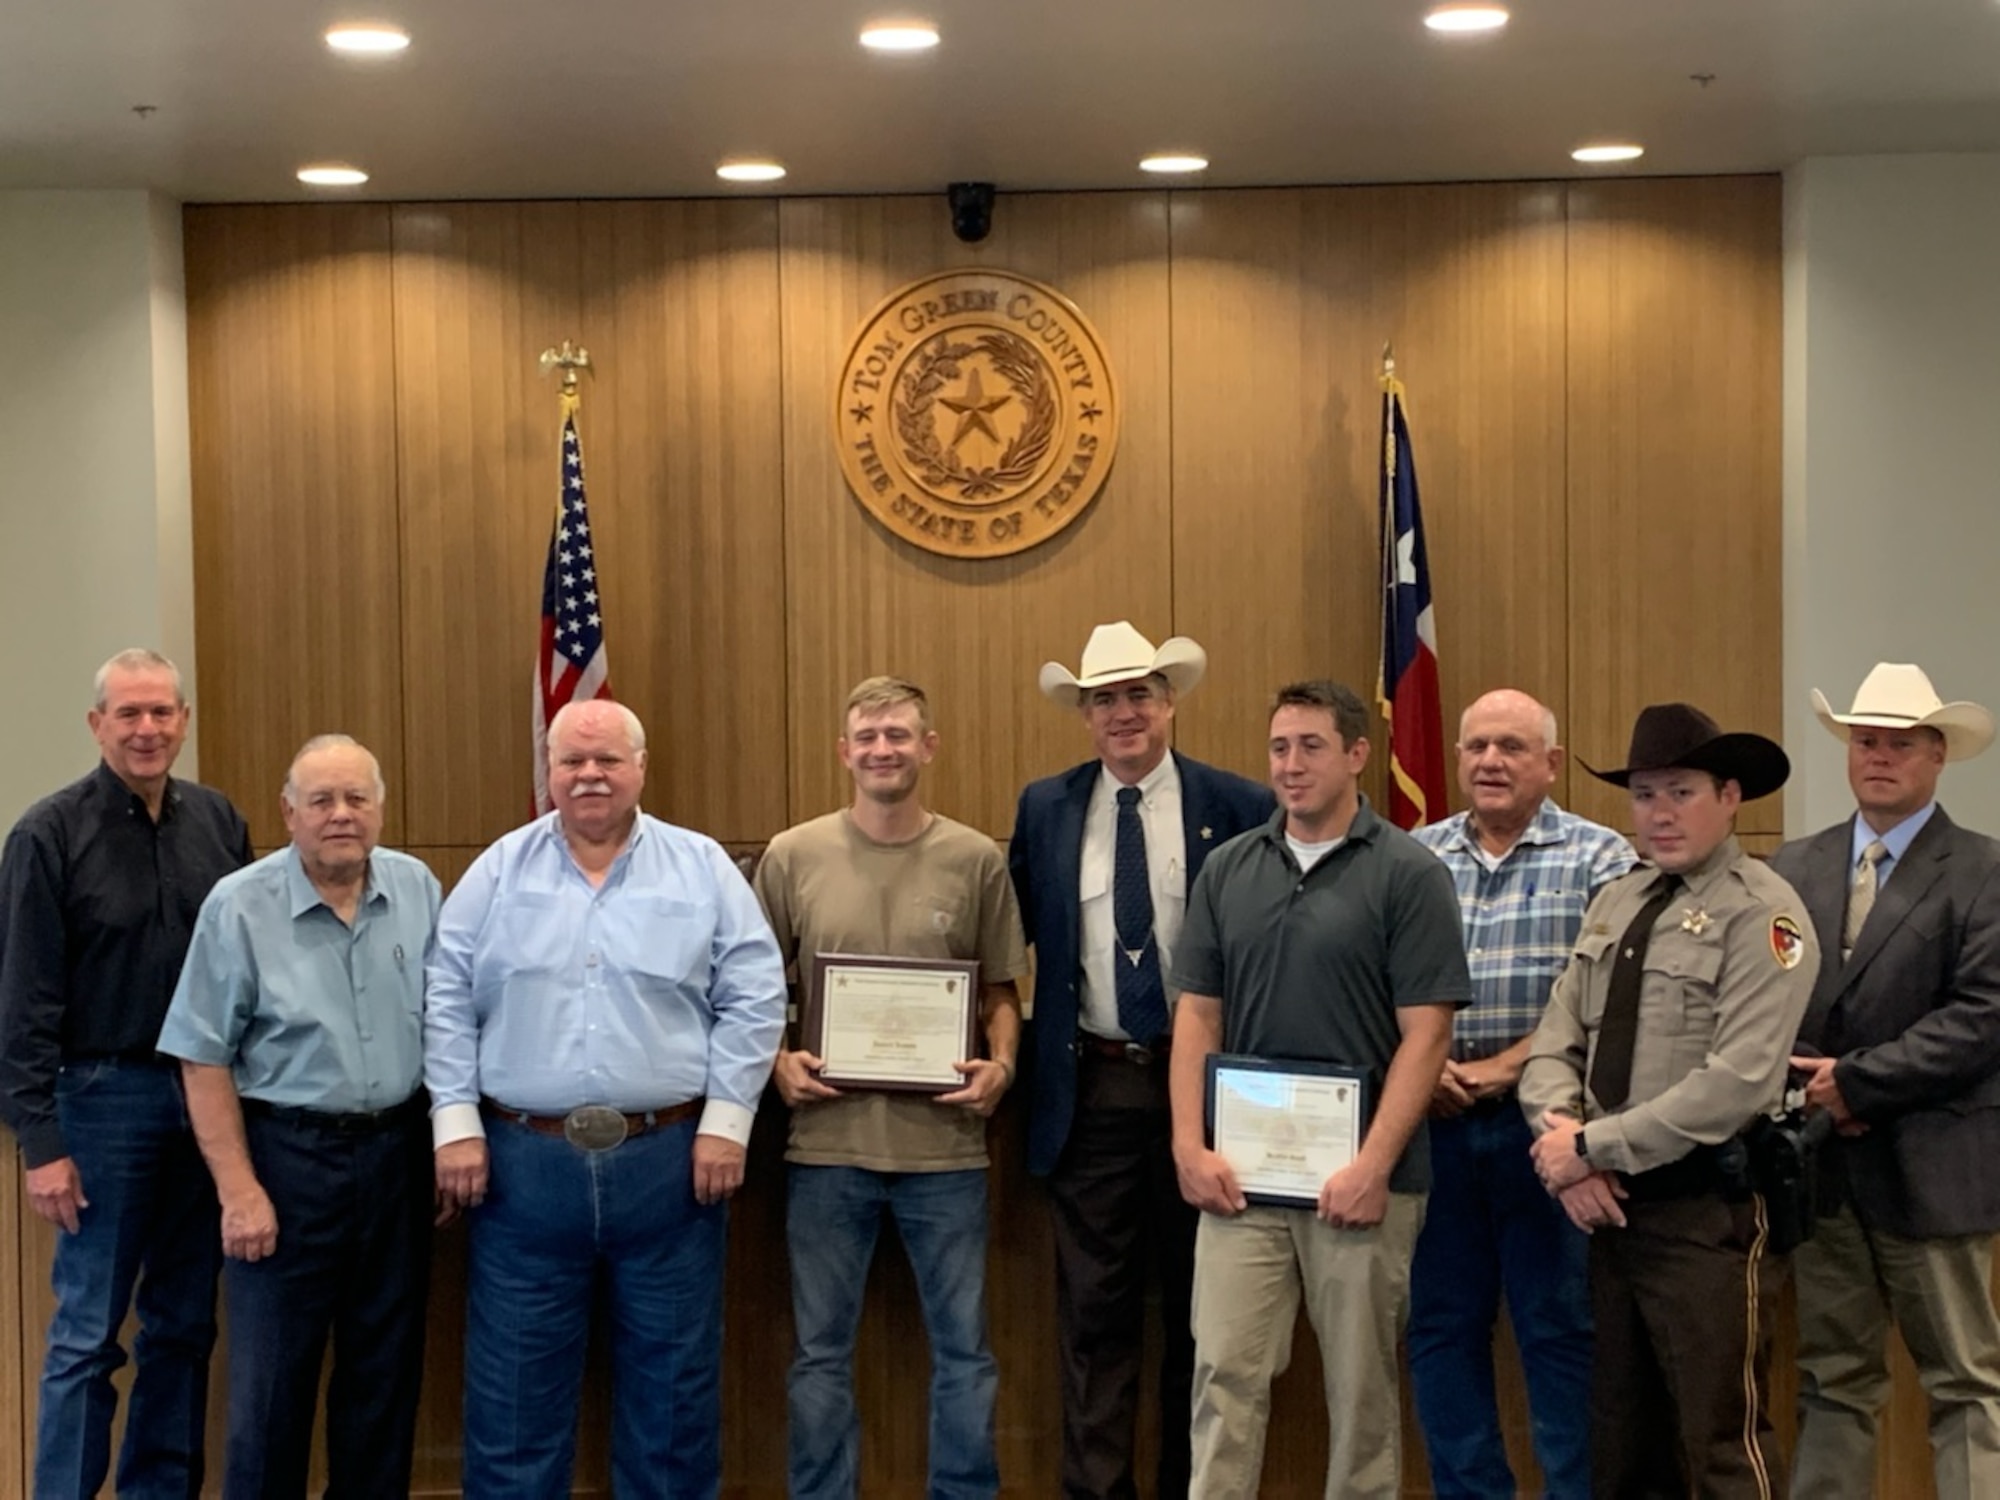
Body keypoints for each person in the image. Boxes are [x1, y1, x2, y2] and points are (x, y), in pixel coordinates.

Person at [424, 698, 786, 1500]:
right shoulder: (497, 870)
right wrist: (454, 1125)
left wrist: (729, 1124)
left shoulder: (701, 868)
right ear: (547, 771)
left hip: (673, 1166)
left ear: (640, 768)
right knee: (512, 1399)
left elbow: (755, 996)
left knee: (674, 1400)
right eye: (572, 762)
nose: (589, 775)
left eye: (608, 760)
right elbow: (445, 995)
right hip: (521, 1169)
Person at [1168, 679, 1469, 1498]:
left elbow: (1428, 1034)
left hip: (1365, 1185)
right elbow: (1197, 1015)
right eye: (1278, 748)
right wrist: (1187, 1146)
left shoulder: (1409, 873)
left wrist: (1372, 1166)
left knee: (1362, 1395)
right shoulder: (1230, 868)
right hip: (1242, 1182)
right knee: (1223, 1375)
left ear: (1356, 755)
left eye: (1311, 747)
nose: (1291, 766)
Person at [1521, 702, 1818, 1498]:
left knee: (1721, 1440)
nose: (1659, 813)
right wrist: (1566, 1150)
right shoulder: (1617, 902)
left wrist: (1591, 1148)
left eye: (1680, 791)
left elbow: (1738, 1081)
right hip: (1610, 1212)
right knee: (1623, 1444)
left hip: (1706, 1217)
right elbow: (1555, 1043)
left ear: (1730, 795)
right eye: (1645, 794)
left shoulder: (1763, 914)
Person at [1008, 621, 1271, 1499]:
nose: (1123, 714)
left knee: (1207, 1320)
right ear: (1083, 715)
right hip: (1092, 1092)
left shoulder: (1234, 805)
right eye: (1103, 700)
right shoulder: (1046, 806)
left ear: (1169, 703)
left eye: (1138, 695)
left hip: (1209, 1096)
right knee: (1093, 1324)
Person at [755, 675, 1027, 1499]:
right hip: (825, 1148)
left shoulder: (976, 858)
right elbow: (754, 989)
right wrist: (776, 1060)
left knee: (966, 1354)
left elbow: (1002, 994)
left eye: (899, 735)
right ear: (845, 752)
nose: (883, 750)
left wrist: (1003, 1066)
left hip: (945, 1154)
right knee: (819, 1355)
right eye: (868, 737)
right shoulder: (792, 854)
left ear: (928, 747)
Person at [157, 734, 439, 1497]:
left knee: (384, 1382)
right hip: (287, 1162)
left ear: (380, 808)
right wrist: (239, 1190)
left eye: (356, 799)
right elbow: (201, 1056)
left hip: (399, 1159)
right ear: (289, 813)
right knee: (272, 1391)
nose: (341, 815)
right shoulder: (239, 904)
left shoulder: (418, 888)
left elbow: (450, 1027)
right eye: (321, 801)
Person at [0, 647, 252, 1499]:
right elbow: (22, 1001)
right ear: (96, 724)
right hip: (101, 1102)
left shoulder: (220, 824)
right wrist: (41, 1142)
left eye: (162, 712)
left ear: (183, 721)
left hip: (209, 1102)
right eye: (128, 713)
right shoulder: (47, 833)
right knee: (85, 1337)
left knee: (183, 1328)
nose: (147, 729)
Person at [1771, 662, 2000, 1498]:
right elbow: (1771, 998)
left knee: (1965, 1383)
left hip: (1934, 1165)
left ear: (1938, 756)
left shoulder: (1984, 869)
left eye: (1901, 743)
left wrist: (1856, 1084)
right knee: (1834, 1376)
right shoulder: (1794, 866)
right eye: (1866, 740)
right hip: (1825, 1169)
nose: (1880, 756)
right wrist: (1815, 1092)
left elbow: (1983, 1016)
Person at [1408, 689, 1635, 1499]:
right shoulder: (1415, 854)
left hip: (1551, 1131)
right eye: (1475, 747)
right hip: (1428, 1127)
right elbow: (1378, 981)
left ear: (1552, 762)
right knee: (1441, 1329)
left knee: (1559, 1330)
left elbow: (1608, 1005)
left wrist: (1502, 1070)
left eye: (1510, 746)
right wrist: (1420, 1068)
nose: (1490, 762)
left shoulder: (1604, 860)